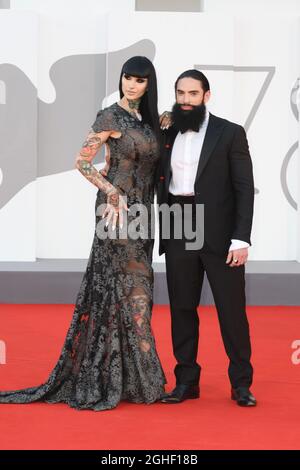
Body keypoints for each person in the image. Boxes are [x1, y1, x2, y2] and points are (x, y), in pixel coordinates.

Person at [0, 56, 166, 411]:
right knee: (125, 286)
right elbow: (82, 161)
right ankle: (122, 375)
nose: (132, 85)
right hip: (115, 210)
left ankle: (132, 376)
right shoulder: (110, 116)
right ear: (121, 80)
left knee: (140, 286)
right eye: (127, 78)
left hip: (144, 212)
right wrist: (109, 190)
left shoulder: (151, 121)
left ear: (149, 84)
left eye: (139, 80)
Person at [157, 69, 256, 406]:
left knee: (232, 311)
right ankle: (186, 381)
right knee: (182, 307)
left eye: (193, 94)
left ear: (206, 96)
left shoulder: (229, 133)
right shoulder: (166, 131)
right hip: (177, 224)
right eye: (180, 93)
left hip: (220, 232)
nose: (186, 100)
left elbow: (244, 189)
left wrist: (241, 238)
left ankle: (241, 383)